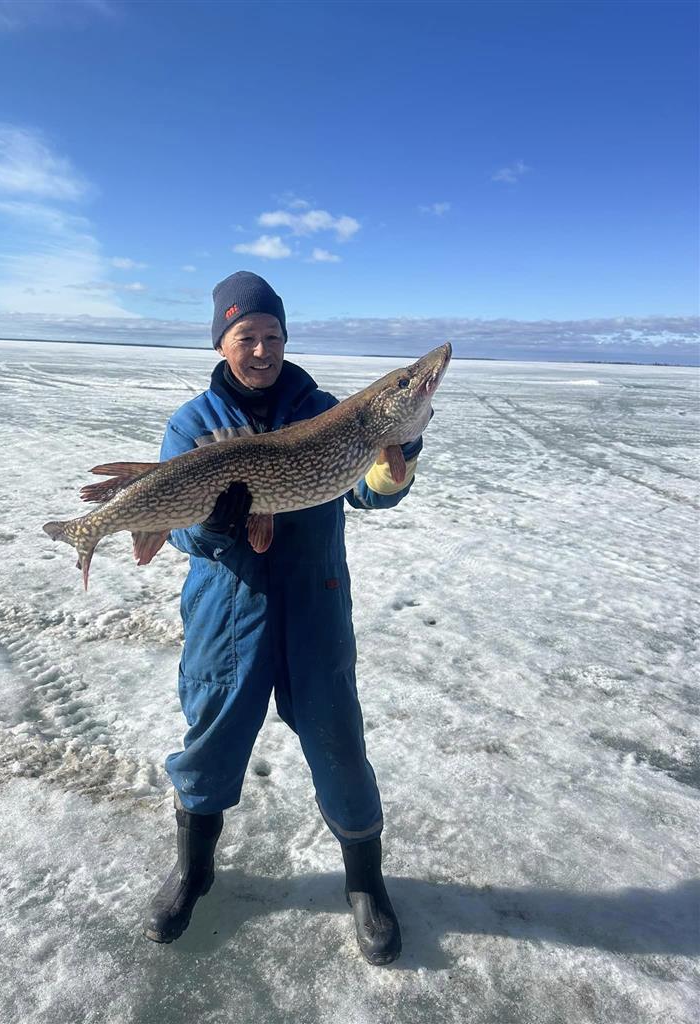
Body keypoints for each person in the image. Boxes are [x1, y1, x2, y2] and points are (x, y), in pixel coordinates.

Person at [143, 271, 427, 965]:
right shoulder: (193, 423)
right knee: (211, 737)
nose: (262, 350)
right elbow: (170, 523)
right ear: (223, 341)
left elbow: (369, 493)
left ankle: (365, 884)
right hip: (226, 612)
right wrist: (212, 526)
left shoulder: (326, 411)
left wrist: (401, 458)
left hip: (314, 603)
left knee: (338, 741)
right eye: (247, 337)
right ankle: (195, 870)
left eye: (273, 336)